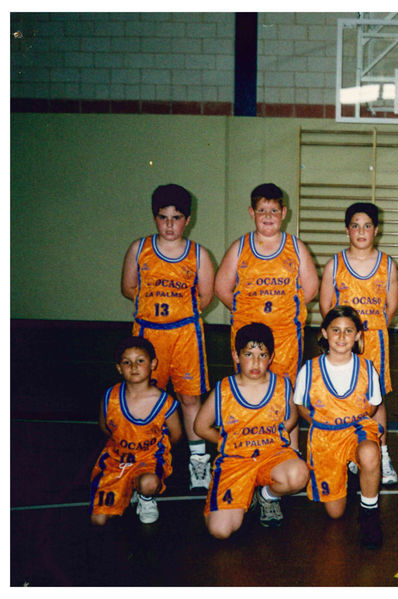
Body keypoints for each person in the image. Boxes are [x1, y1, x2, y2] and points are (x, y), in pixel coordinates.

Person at [120, 183, 215, 491]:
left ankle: (198, 461)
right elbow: (128, 288)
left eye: (176, 218)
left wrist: (177, 312)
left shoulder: (198, 254)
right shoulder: (139, 249)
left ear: (188, 220)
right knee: (147, 398)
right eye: (163, 218)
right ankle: (146, 459)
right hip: (148, 334)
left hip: (185, 334)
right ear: (154, 218)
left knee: (190, 398)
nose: (170, 225)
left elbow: (206, 296)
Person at [214, 183, 319, 450]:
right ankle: (251, 445)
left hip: (285, 336)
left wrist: (286, 311)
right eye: (262, 210)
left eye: (273, 210)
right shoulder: (240, 247)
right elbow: (222, 288)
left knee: (286, 392)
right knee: (250, 387)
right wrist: (245, 312)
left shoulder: (295, 247)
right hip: (249, 335)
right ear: (252, 212)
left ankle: (290, 449)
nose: (268, 216)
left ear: (284, 212)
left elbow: (310, 289)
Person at [194, 322, 309, 538]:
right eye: (248, 354)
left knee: (298, 474)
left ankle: (267, 496)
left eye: (262, 355)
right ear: (236, 356)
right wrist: (225, 441)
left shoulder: (282, 386)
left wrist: (276, 435)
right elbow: (200, 426)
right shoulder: (224, 389)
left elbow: (292, 417)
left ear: (271, 357)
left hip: (271, 455)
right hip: (236, 460)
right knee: (220, 531)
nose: (256, 362)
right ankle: (241, 492)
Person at [318, 202, 398, 485]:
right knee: (343, 394)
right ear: (347, 230)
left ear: (376, 230)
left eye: (367, 226)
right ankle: (347, 451)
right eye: (355, 226)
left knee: (376, 397)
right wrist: (341, 335)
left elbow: (391, 306)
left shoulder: (387, 264)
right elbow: (326, 305)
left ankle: (381, 453)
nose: (361, 231)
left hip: (374, 338)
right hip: (342, 339)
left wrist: (370, 329)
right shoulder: (335, 264)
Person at [293, 306, 384, 548]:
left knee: (370, 452)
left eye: (348, 331)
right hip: (325, 437)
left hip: (356, 430)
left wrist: (349, 421)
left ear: (357, 335)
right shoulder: (309, 370)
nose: (342, 337)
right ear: (324, 333)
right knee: (335, 513)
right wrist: (325, 423)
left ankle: (369, 512)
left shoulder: (367, 368)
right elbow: (301, 406)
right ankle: (352, 474)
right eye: (336, 330)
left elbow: (373, 406)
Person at [90, 336, 182, 525]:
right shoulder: (110, 396)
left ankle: (145, 498)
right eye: (127, 362)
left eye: (140, 361)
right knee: (98, 519)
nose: (134, 367)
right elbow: (104, 427)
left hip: (148, 459)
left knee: (149, 483)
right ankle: (127, 487)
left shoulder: (164, 402)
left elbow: (176, 435)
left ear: (153, 364)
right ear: (119, 368)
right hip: (117, 459)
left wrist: (155, 449)